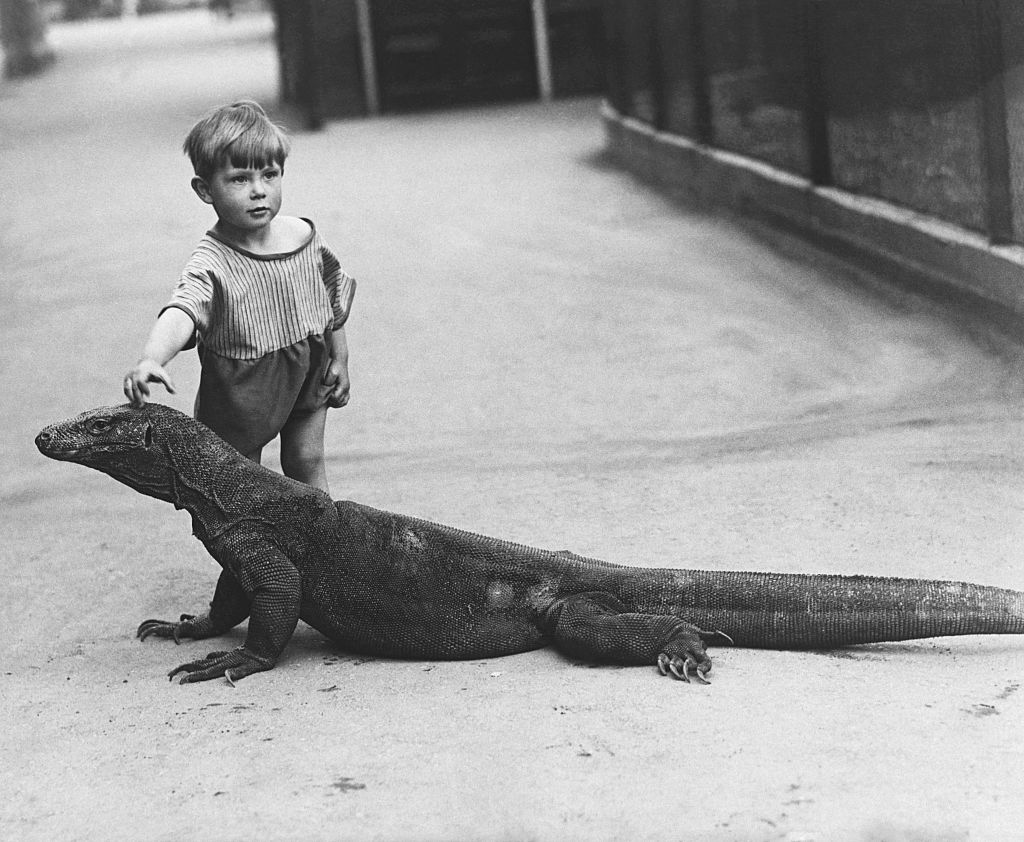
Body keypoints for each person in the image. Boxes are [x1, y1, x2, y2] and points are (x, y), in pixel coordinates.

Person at [124, 100, 355, 495]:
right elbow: (182, 310)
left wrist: (340, 357)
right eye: (239, 179)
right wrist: (151, 359)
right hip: (242, 389)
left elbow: (330, 302)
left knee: (306, 459)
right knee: (241, 479)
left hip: (307, 365)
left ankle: (323, 546)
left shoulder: (303, 236)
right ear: (204, 189)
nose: (259, 191)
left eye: (269, 174)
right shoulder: (211, 261)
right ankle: (248, 553)